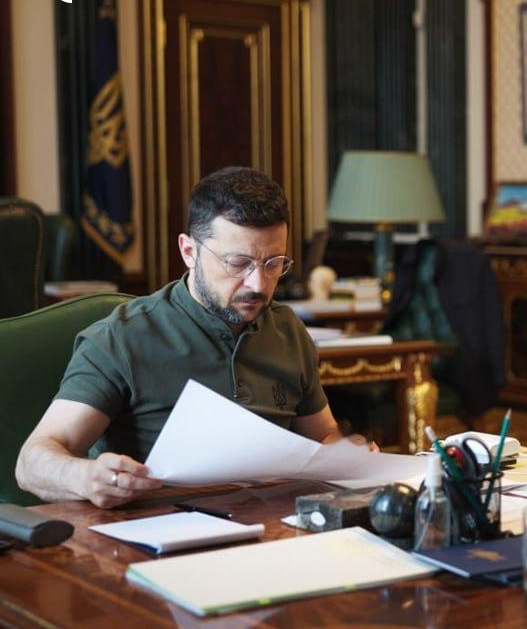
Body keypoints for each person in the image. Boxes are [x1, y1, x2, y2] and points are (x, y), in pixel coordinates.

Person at [16, 167, 342, 508]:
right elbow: (31, 463)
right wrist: (86, 478)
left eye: (273, 263)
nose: (258, 284)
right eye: (238, 263)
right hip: (159, 525)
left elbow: (324, 437)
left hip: (273, 522)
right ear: (189, 251)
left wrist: (352, 454)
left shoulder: (287, 329)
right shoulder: (122, 338)